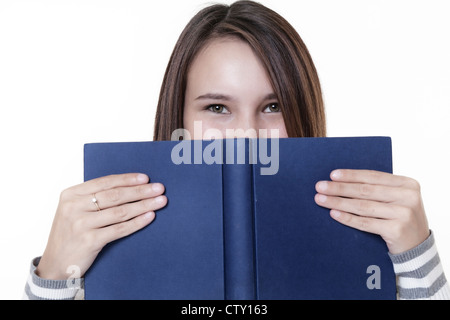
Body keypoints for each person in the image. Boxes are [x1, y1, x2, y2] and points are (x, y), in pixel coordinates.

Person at [24, 0, 449, 300]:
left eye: (273, 105)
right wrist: (54, 279)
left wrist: (416, 264)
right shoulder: (106, 248)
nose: (247, 134)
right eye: (217, 107)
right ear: (179, 121)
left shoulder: (369, 247)